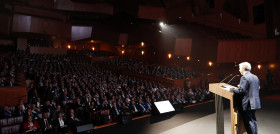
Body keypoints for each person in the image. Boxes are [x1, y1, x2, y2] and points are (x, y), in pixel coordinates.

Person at [227, 62, 261, 134]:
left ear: (243, 68)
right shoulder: (255, 77)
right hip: (255, 102)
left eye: (239, 68)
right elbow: (257, 87)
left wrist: (231, 89)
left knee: (249, 122)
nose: (239, 70)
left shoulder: (244, 77)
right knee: (253, 120)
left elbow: (241, 91)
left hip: (248, 103)